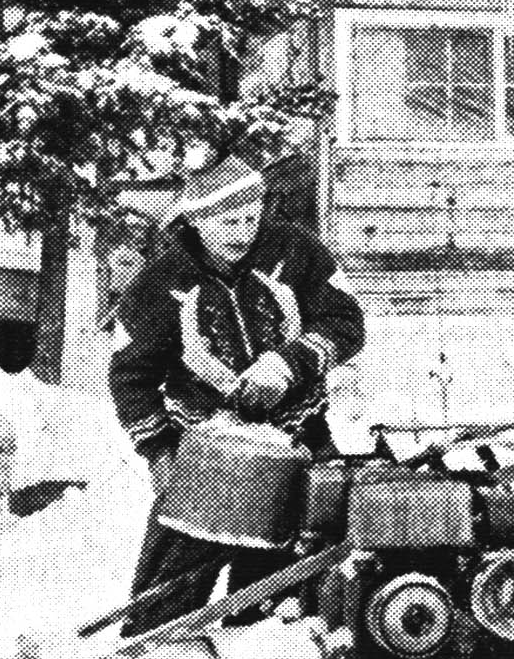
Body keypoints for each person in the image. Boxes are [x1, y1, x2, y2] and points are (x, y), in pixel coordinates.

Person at [108, 158, 366, 634]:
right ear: (196, 220)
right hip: (209, 458)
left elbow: (346, 323)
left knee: (309, 570)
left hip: (302, 440)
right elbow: (131, 377)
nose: (243, 232)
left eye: (251, 217)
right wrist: (160, 452)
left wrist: (290, 363)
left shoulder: (297, 254)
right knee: (171, 588)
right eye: (228, 221)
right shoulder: (156, 287)